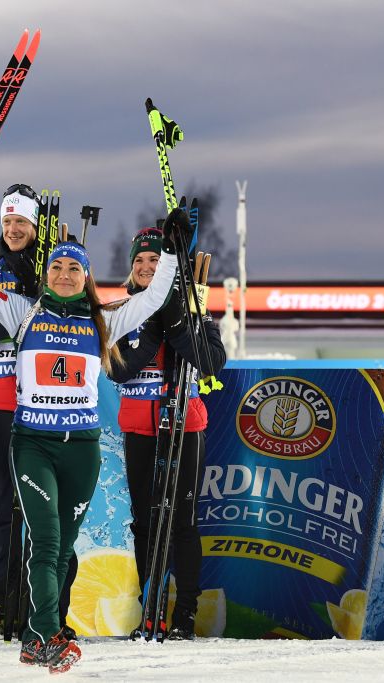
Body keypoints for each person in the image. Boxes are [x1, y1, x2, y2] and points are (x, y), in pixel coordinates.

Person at [0, 191, 188, 673]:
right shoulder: (23, 312)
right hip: (33, 443)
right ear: (47, 273)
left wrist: (171, 249)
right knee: (46, 537)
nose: (63, 275)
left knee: (62, 547)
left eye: (73, 270)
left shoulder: (104, 320)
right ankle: (42, 635)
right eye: (56, 268)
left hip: (82, 449)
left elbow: (158, 297)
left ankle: (46, 629)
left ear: (85, 278)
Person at [0, 183, 76, 640]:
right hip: (1, 404)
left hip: (47, 406)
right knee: (3, 507)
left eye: (21, 223)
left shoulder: (56, 269)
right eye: (7, 222)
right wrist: (16, 311)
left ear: (35, 226)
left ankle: (52, 613)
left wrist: (41, 293)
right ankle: (5, 608)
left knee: (52, 513)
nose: (12, 230)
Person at [107, 225, 226, 640]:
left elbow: (212, 361)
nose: (144, 266)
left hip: (183, 425)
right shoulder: (124, 311)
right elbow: (117, 368)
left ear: (169, 266)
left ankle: (186, 613)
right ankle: (150, 605)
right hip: (139, 427)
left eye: (154, 260)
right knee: (145, 523)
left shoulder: (195, 309)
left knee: (182, 523)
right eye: (138, 260)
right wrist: (154, 328)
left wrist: (177, 324)